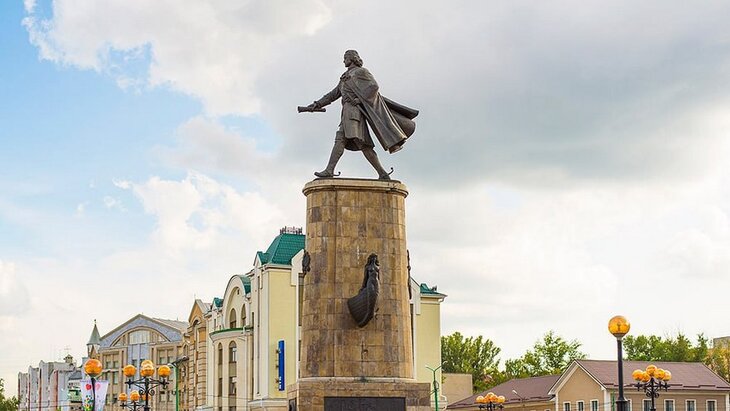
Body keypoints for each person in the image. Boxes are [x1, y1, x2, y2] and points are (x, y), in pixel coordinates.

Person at [304, 50, 418, 179]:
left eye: (345, 57)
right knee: (355, 143)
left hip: (354, 113)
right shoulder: (345, 76)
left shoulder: (361, 72)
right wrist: (317, 104)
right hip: (347, 113)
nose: (343, 60)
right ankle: (381, 173)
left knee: (350, 141)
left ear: (352, 58)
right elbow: (333, 94)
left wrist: (360, 99)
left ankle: (331, 170)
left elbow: (374, 86)